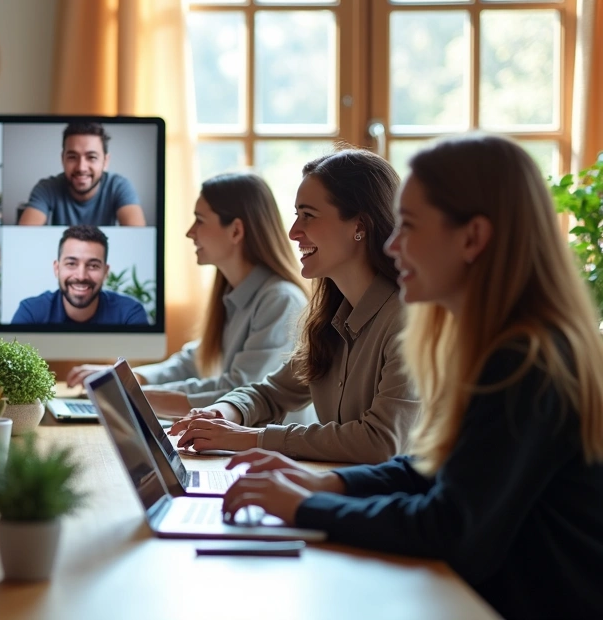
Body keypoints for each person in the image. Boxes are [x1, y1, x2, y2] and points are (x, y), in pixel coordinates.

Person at [220, 135, 603, 619]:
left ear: (472, 238)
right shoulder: (494, 342)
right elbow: (433, 467)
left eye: (409, 226)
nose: (393, 244)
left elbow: (449, 527)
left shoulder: (526, 361)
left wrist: (303, 507)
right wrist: (326, 485)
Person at [169, 149, 419, 464]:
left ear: (360, 225)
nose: (293, 232)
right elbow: (270, 392)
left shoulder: (408, 320)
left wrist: (248, 439)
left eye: (308, 215)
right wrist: (221, 412)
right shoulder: (329, 321)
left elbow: (380, 441)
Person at [66, 173, 308, 416]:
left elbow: (239, 391)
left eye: (200, 220)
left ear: (235, 231)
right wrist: (129, 378)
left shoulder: (280, 300)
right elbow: (195, 360)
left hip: (278, 451)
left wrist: (134, 393)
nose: (190, 232)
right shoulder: (234, 294)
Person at [11, 224, 150, 326]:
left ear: (106, 272)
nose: (81, 276)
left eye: (93, 266)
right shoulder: (31, 312)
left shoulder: (129, 314)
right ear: (57, 269)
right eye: (71, 264)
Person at [18, 121, 146, 226]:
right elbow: (24, 235)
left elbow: (138, 238)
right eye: (72, 157)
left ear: (105, 161)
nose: (81, 168)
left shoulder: (119, 186)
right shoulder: (46, 188)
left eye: (91, 157)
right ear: (63, 159)